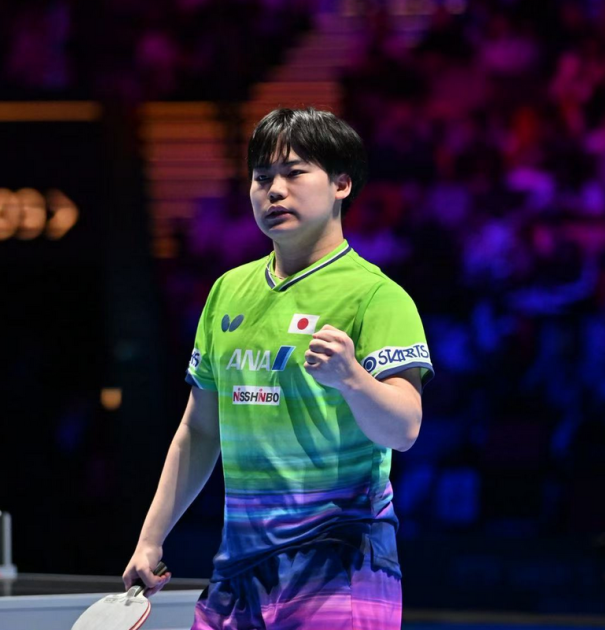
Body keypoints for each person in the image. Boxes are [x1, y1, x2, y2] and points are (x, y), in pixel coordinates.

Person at [122, 107, 434, 629]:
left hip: (341, 562)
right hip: (239, 568)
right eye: (262, 177)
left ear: (341, 184)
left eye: (293, 173)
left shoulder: (377, 296)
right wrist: (151, 538)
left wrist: (353, 380)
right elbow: (199, 430)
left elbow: (404, 430)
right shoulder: (227, 292)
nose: (274, 190)